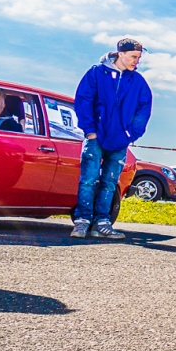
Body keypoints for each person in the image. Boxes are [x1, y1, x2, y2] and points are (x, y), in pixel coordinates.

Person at [70, 38, 153, 240]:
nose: (136, 61)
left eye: (139, 58)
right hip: (95, 138)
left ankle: (102, 223)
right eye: (134, 57)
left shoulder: (138, 82)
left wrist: (130, 134)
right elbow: (83, 100)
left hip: (120, 141)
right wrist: (90, 130)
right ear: (121, 54)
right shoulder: (96, 74)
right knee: (88, 180)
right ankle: (81, 222)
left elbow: (144, 109)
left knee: (110, 182)